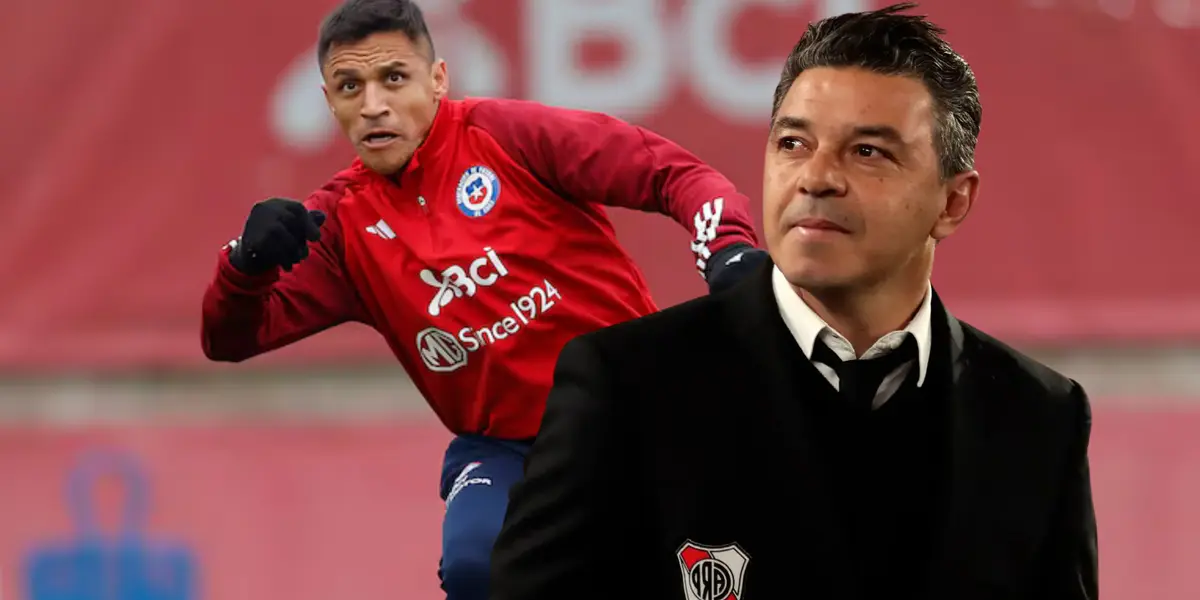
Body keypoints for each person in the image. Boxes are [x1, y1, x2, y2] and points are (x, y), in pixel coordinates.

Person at [489, 4, 1099, 600]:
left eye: (868, 152)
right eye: (793, 144)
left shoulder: (1041, 415)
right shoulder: (625, 384)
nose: (816, 178)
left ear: (953, 203)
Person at [198, 0, 768, 598]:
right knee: (477, 568)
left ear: (437, 78)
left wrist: (727, 247)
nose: (372, 105)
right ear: (329, 102)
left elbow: (673, 173)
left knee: (715, 573)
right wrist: (246, 265)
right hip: (508, 449)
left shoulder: (508, 136)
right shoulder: (337, 226)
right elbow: (228, 338)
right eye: (349, 86)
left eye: (394, 78)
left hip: (635, 408)